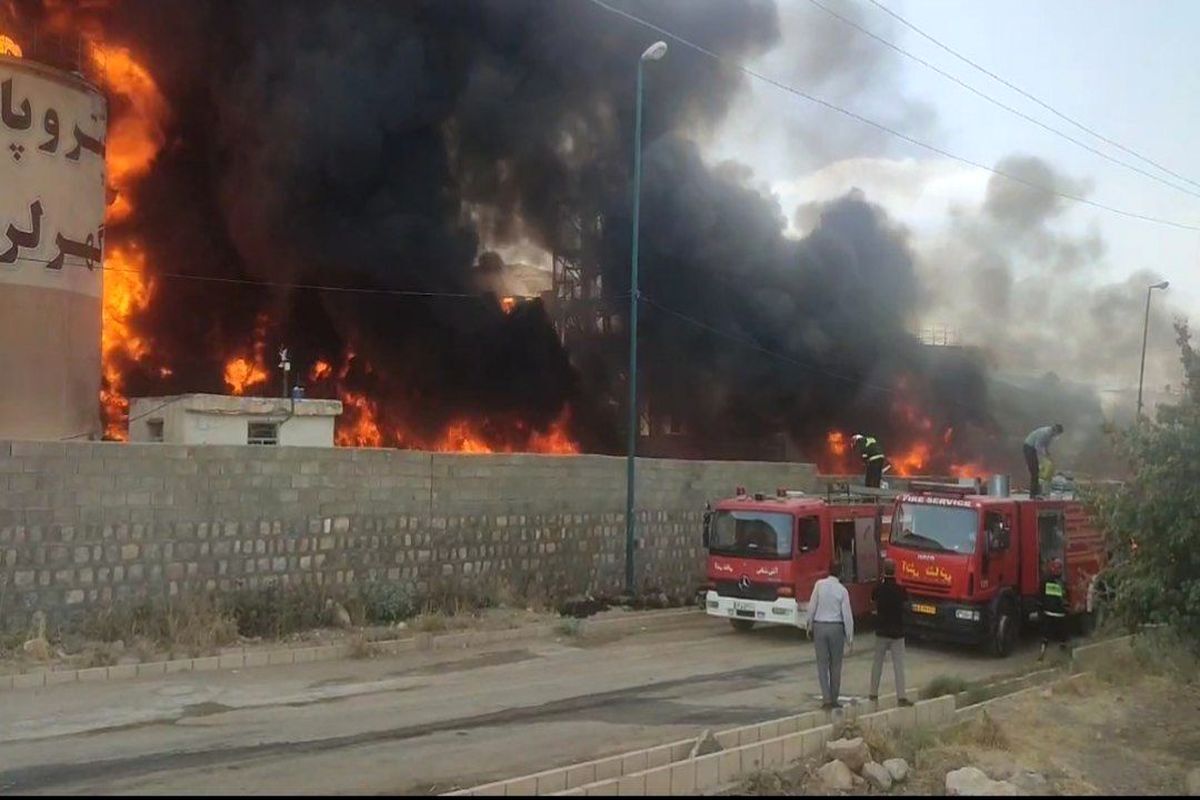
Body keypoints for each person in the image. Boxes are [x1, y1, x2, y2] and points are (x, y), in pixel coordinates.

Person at [806, 566, 854, 710]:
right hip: (836, 628)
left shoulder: (819, 585)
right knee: (836, 665)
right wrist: (849, 637)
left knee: (822, 665)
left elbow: (812, 607)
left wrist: (809, 625)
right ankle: (834, 699)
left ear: (828, 571)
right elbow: (847, 615)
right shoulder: (842, 590)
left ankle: (826, 699)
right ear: (840, 573)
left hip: (820, 626)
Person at [868, 560, 913, 707]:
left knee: (877, 664)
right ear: (895, 571)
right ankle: (901, 697)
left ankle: (873, 693)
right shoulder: (901, 590)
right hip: (897, 633)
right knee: (898, 666)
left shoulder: (878, 589)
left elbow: (872, 603)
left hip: (881, 631)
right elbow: (907, 609)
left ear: (883, 571)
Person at [1038, 558, 1069, 661]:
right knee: (1062, 636)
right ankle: (1063, 655)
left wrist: (1041, 608)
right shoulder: (1061, 582)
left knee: (1046, 636)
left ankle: (1043, 654)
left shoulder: (1045, 580)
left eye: (1058, 568)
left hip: (1050, 613)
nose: (1057, 570)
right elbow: (1065, 598)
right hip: (1058, 614)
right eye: (1056, 567)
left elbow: (1041, 594)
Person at [1023, 423, 1063, 498]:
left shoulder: (1050, 436)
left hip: (1033, 449)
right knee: (1034, 471)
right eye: (1058, 434)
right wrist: (1045, 455)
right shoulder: (1044, 433)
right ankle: (1033, 494)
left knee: (1036, 471)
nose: (1057, 436)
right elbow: (1038, 446)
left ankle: (1036, 493)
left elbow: (1045, 447)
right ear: (1055, 431)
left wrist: (1048, 455)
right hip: (1029, 447)